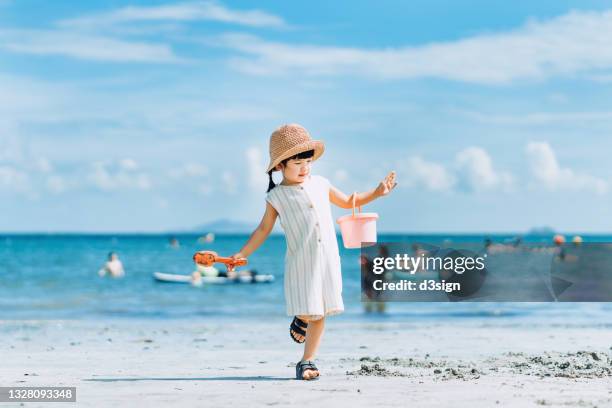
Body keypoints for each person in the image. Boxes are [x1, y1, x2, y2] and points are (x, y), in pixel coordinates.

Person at [229, 124, 397, 380]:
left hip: (328, 259)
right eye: (298, 163)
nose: (305, 168)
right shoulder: (276, 197)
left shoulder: (320, 183)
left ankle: (307, 361)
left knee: (322, 310)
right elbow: (263, 229)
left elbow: (348, 201)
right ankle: (301, 318)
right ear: (279, 166)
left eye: (308, 162)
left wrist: (376, 193)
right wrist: (242, 254)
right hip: (302, 262)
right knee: (309, 307)